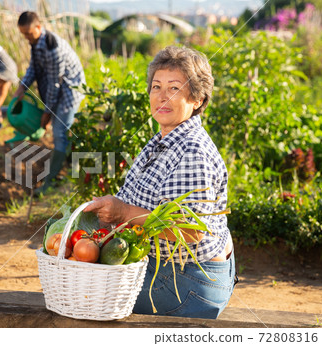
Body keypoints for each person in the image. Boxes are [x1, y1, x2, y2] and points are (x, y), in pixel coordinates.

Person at [84, 46, 236, 319]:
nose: (162, 97)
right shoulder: (163, 139)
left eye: (174, 88)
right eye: (156, 87)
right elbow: (130, 198)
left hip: (188, 282)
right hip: (169, 270)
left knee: (90, 298)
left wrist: (122, 213)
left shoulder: (192, 150)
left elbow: (189, 233)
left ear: (197, 98)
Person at [13, 11, 85, 195]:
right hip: (58, 89)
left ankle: (49, 183)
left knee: (60, 134)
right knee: (61, 135)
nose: (26, 37)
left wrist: (47, 113)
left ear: (39, 27)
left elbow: (55, 84)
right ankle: (68, 169)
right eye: (23, 34)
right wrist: (22, 87)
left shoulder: (53, 48)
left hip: (70, 91)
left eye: (28, 33)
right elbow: (33, 69)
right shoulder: (36, 43)